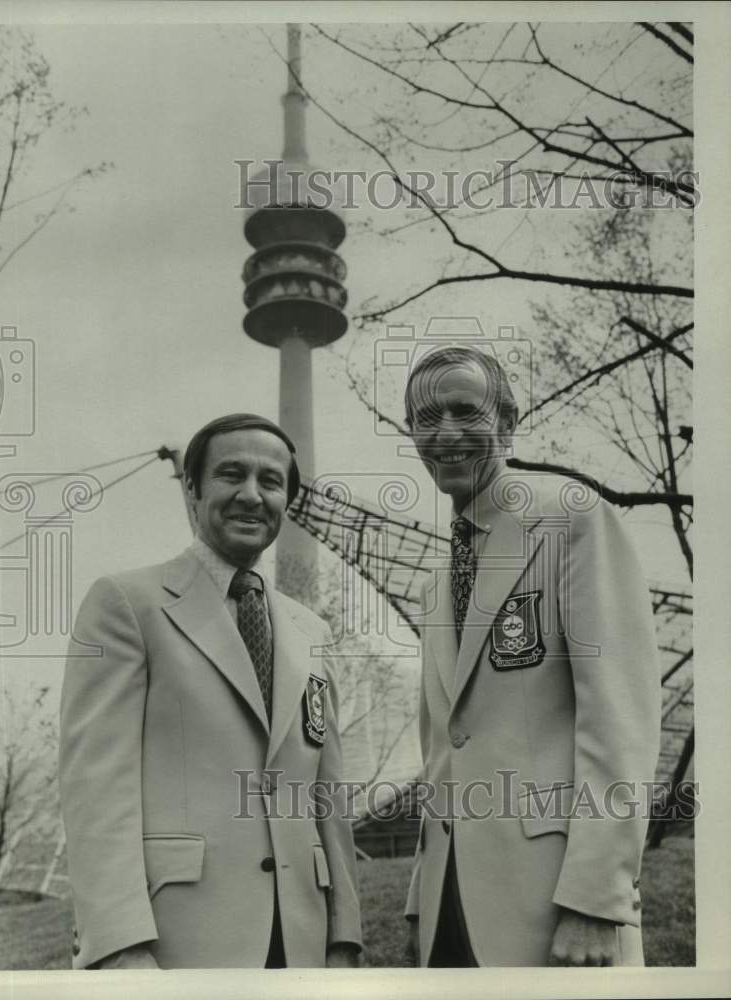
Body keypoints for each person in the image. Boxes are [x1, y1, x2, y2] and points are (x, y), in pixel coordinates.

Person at [59, 414, 362, 969]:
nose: (252, 495)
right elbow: (95, 790)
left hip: (302, 943)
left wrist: (343, 936)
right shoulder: (127, 603)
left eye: (271, 482)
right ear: (193, 489)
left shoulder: (310, 631)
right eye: (231, 474)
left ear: (286, 501)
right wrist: (119, 944)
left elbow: (327, 796)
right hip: (176, 942)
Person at [402, 346, 661, 967]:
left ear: (510, 421)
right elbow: (444, 746)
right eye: (424, 418)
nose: (445, 433)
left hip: (555, 905)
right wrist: (420, 898)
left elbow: (619, 720)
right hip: (450, 905)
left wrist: (597, 899)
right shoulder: (436, 578)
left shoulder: (572, 519)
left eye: (466, 410)